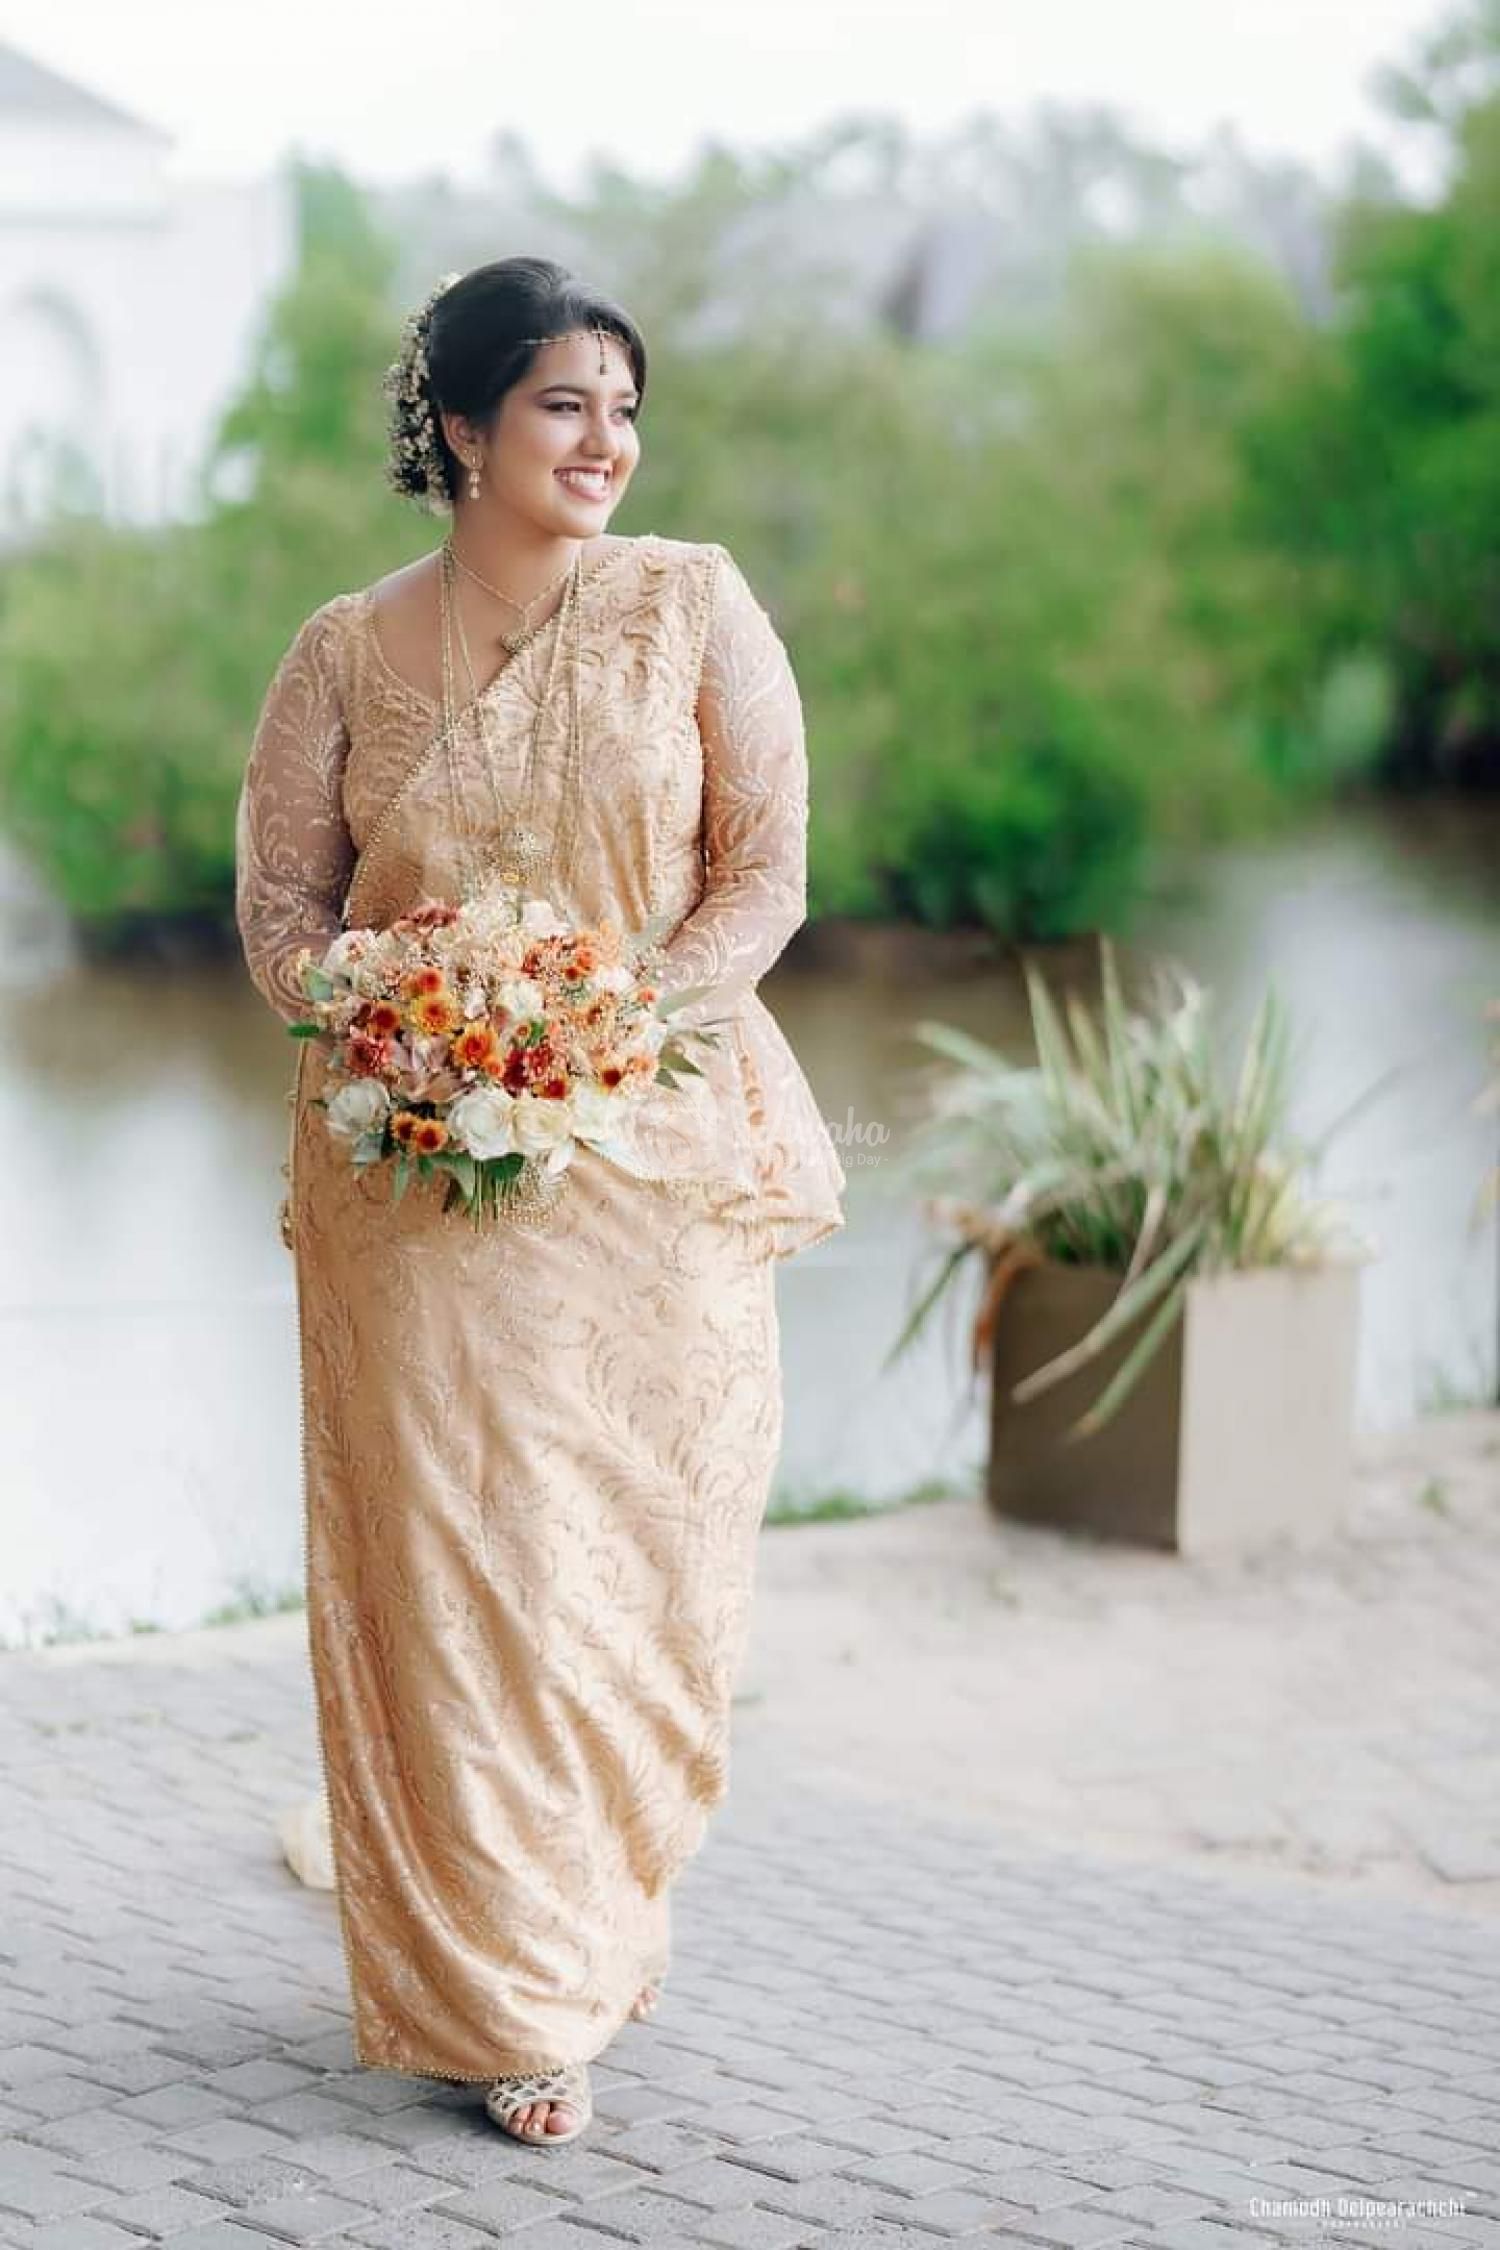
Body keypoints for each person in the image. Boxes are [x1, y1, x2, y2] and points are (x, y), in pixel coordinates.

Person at [233, 256, 846, 2149]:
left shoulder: (690, 605)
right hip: (412, 1188)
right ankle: (514, 1998)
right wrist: (400, 1019)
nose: (606, 443)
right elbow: (281, 913)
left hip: (651, 1173)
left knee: (638, 1576)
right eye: (566, 404)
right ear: (465, 425)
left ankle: (590, 1914)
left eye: (624, 408)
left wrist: (598, 1030)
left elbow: (764, 873)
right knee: (462, 1582)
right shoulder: (343, 652)